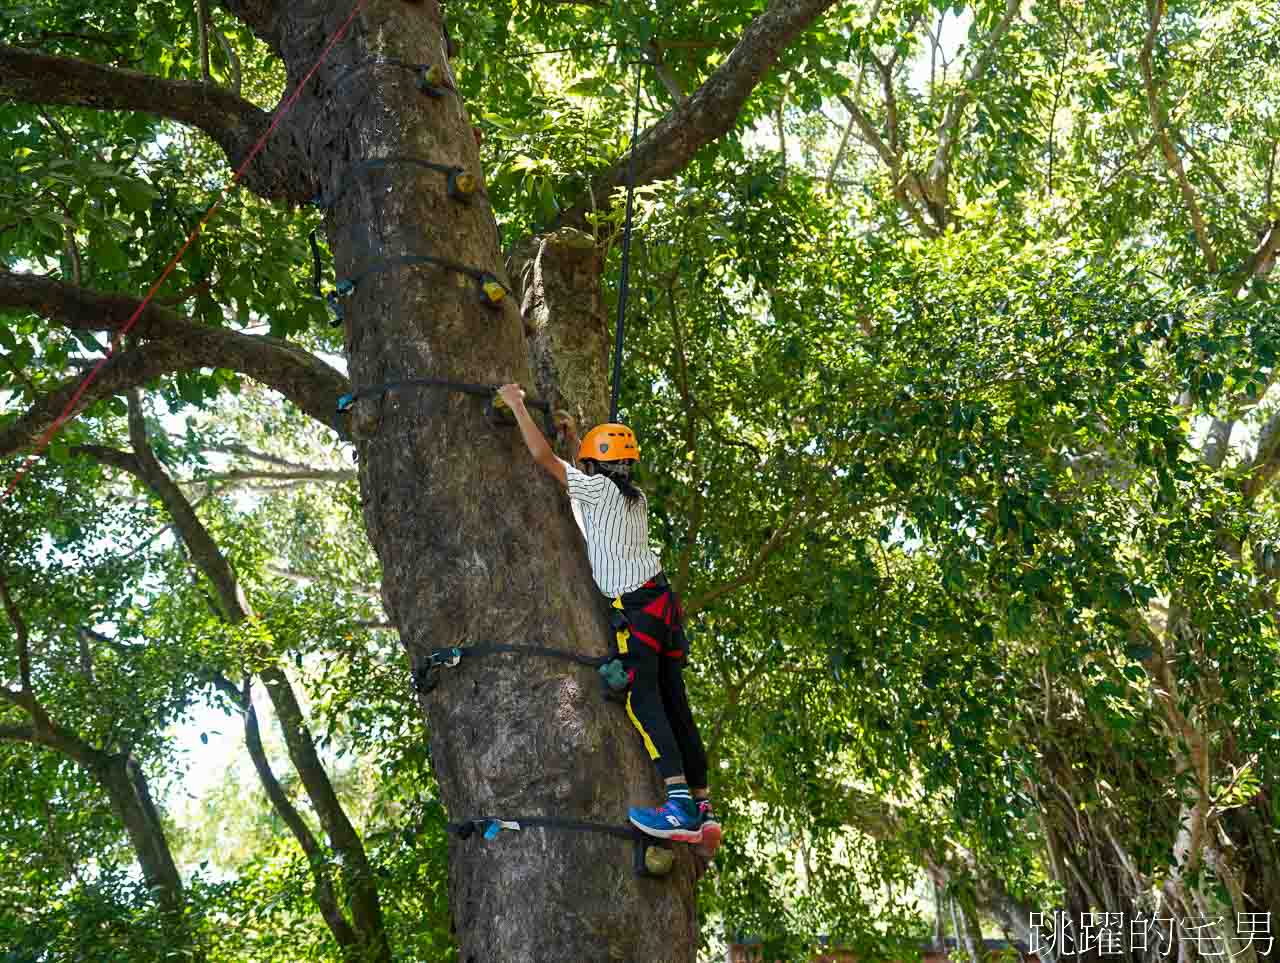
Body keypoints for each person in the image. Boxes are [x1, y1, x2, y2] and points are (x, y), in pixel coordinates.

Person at [497, 383, 721, 858]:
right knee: (676, 704)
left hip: (639, 610)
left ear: (597, 466)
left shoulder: (596, 490)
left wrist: (517, 405)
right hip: (660, 604)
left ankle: (678, 806)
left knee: (645, 702)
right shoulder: (631, 498)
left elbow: (544, 460)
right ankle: (702, 808)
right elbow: (584, 477)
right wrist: (578, 435)